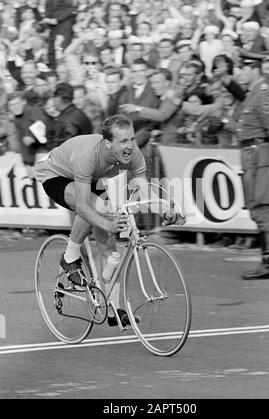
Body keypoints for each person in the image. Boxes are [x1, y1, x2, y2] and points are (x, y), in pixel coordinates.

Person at [34, 115, 184, 327]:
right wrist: (107, 223)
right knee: (98, 208)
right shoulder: (87, 154)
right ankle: (70, 256)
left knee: (110, 248)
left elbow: (145, 191)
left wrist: (165, 211)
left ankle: (114, 309)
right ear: (107, 143)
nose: (130, 146)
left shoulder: (132, 153)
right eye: (123, 141)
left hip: (89, 179)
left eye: (132, 139)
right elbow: (84, 206)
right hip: (55, 175)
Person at [222, 53, 269, 280]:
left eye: (243, 68)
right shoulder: (253, 95)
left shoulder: (264, 93)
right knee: (256, 208)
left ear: (255, 69)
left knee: (261, 209)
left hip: (262, 157)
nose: (240, 73)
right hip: (253, 156)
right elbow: (245, 130)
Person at [52, 82, 93, 148]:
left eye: (53, 97)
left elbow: (65, 149)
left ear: (58, 99)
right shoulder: (80, 113)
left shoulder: (68, 120)